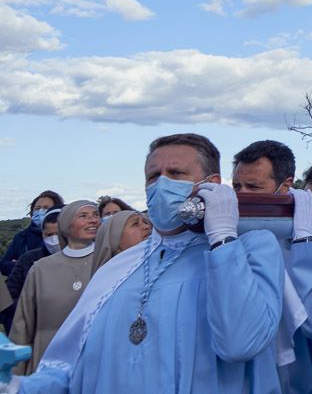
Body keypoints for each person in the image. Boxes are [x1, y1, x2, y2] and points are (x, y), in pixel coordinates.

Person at [6, 132, 284, 394]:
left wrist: (222, 238)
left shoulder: (250, 247)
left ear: (211, 183)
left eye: (176, 173)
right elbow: (70, 364)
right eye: (153, 176)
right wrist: (17, 387)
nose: (161, 184)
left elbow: (240, 343)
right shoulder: (117, 268)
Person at [233, 139, 312, 394]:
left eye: (253, 187)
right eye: (237, 187)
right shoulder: (232, 246)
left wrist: (304, 242)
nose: (242, 196)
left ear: (285, 186)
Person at [10, 202, 100, 373]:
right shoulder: (40, 268)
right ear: (65, 224)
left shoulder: (108, 262)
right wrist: (15, 375)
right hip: (46, 361)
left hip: (93, 362)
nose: (93, 220)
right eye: (83, 216)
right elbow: (23, 325)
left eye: (96, 215)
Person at [3, 211, 61, 333]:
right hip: (34, 329)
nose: (54, 240)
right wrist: (32, 309)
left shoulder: (84, 260)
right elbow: (8, 297)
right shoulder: (28, 259)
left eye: (58, 234)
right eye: (49, 235)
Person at [2, 192, 64, 276]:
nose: (40, 211)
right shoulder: (21, 237)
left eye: (46, 208)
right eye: (37, 208)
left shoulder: (65, 235)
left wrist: (20, 265)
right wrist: (23, 266)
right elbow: (4, 265)